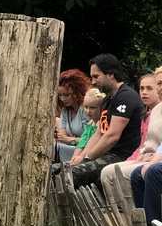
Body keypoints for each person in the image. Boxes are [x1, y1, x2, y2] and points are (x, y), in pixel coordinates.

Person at [71, 54, 143, 189]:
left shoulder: (126, 97)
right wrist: (80, 157)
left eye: (96, 76)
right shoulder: (107, 100)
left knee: (70, 176)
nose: (92, 82)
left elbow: (112, 136)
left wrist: (86, 158)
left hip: (121, 157)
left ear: (110, 74)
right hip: (107, 155)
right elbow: (99, 134)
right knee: (57, 170)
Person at [101, 72, 162, 208]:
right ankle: (119, 210)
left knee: (125, 173)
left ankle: (135, 211)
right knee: (107, 171)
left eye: (149, 88)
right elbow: (144, 144)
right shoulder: (152, 112)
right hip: (146, 156)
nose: (144, 92)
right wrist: (136, 158)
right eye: (141, 88)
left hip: (155, 159)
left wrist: (147, 160)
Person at [53, 69, 91, 164]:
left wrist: (70, 140)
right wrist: (70, 140)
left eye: (66, 95)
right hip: (70, 148)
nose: (63, 99)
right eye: (60, 95)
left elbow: (90, 139)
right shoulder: (65, 111)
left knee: (52, 148)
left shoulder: (85, 110)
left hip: (83, 151)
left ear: (77, 91)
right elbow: (62, 137)